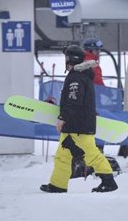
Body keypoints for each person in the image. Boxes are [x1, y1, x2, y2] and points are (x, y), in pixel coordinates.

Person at [40, 45, 118, 193]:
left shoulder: (76, 77)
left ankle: (109, 181)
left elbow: (74, 100)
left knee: (92, 155)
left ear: (69, 59)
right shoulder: (81, 75)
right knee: (63, 156)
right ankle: (58, 185)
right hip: (75, 126)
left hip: (78, 127)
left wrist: (63, 117)